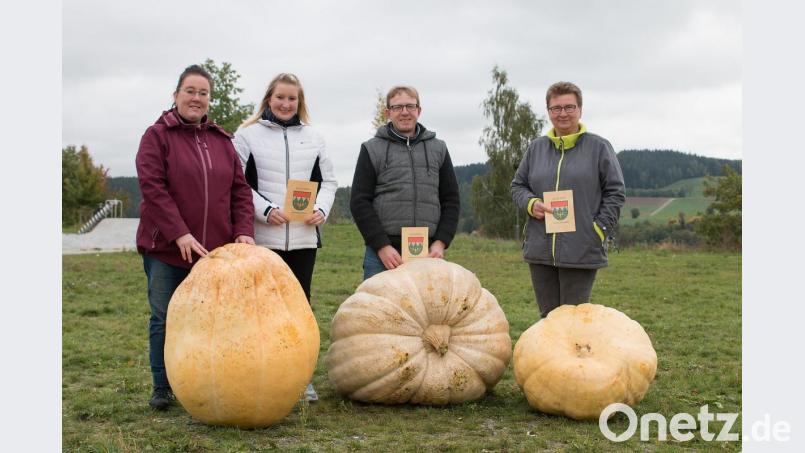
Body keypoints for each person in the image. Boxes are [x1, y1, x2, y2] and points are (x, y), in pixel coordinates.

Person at [136, 64, 255, 410]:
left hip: (213, 254)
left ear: (209, 99)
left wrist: (243, 231)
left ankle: (206, 383)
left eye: (203, 93)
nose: (196, 98)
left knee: (212, 322)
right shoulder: (156, 136)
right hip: (166, 250)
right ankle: (163, 387)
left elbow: (239, 191)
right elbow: (153, 189)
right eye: (190, 91)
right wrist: (180, 234)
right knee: (165, 318)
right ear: (175, 95)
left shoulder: (222, 141)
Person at [233, 73, 337, 402]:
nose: (285, 103)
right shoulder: (247, 135)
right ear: (269, 98)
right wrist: (265, 210)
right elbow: (237, 183)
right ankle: (259, 377)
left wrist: (321, 209)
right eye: (280, 97)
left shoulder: (315, 137)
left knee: (299, 310)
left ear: (299, 102)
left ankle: (301, 379)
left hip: (304, 240)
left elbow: (329, 182)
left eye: (292, 98)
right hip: (263, 240)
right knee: (260, 311)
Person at [511, 81, 625, 319]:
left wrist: (598, 230)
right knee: (548, 319)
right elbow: (518, 186)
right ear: (549, 112)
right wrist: (531, 203)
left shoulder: (599, 147)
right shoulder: (536, 149)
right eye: (556, 108)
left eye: (569, 107)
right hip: (540, 249)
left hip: (581, 249)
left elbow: (615, 192)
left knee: (574, 320)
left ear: (580, 110)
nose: (563, 113)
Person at [350, 86, 460, 280]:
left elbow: (451, 200)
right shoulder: (371, 149)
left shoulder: (439, 148)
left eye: (410, 106)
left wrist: (440, 243)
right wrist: (382, 246)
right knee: (378, 301)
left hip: (428, 252)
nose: (404, 112)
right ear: (388, 112)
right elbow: (359, 202)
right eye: (397, 107)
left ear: (419, 110)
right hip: (383, 255)